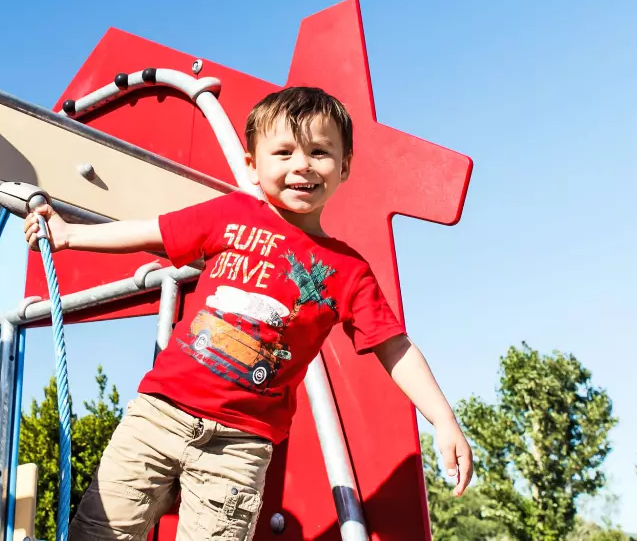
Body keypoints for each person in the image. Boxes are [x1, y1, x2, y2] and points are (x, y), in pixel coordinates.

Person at [24, 86, 472, 541]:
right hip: (159, 417)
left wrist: (442, 417)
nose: (302, 164)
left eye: (320, 152)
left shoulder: (347, 270)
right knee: (99, 533)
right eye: (284, 152)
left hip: (239, 447)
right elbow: (150, 232)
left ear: (345, 166)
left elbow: (393, 345)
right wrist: (67, 235)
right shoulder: (233, 215)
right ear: (252, 165)